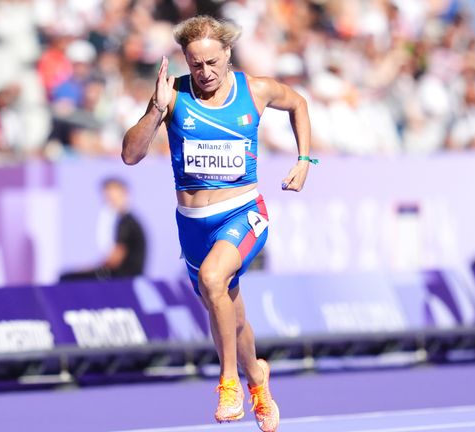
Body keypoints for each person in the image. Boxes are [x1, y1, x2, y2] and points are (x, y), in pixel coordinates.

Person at [122, 15, 314, 432]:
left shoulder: (255, 89)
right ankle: (257, 378)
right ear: (185, 62)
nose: (205, 73)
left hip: (243, 211)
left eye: (212, 62)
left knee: (213, 279)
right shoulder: (172, 95)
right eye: (195, 65)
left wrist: (304, 160)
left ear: (227, 53)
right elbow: (131, 155)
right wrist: (156, 110)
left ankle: (229, 382)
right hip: (192, 224)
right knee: (228, 310)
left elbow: (298, 103)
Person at [60, 177, 147, 281]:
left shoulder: (126, 223)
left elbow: (114, 261)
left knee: (67, 278)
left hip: (123, 277)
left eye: (112, 194)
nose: (108, 198)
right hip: (124, 275)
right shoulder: (126, 220)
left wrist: (88, 269)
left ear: (124, 193)